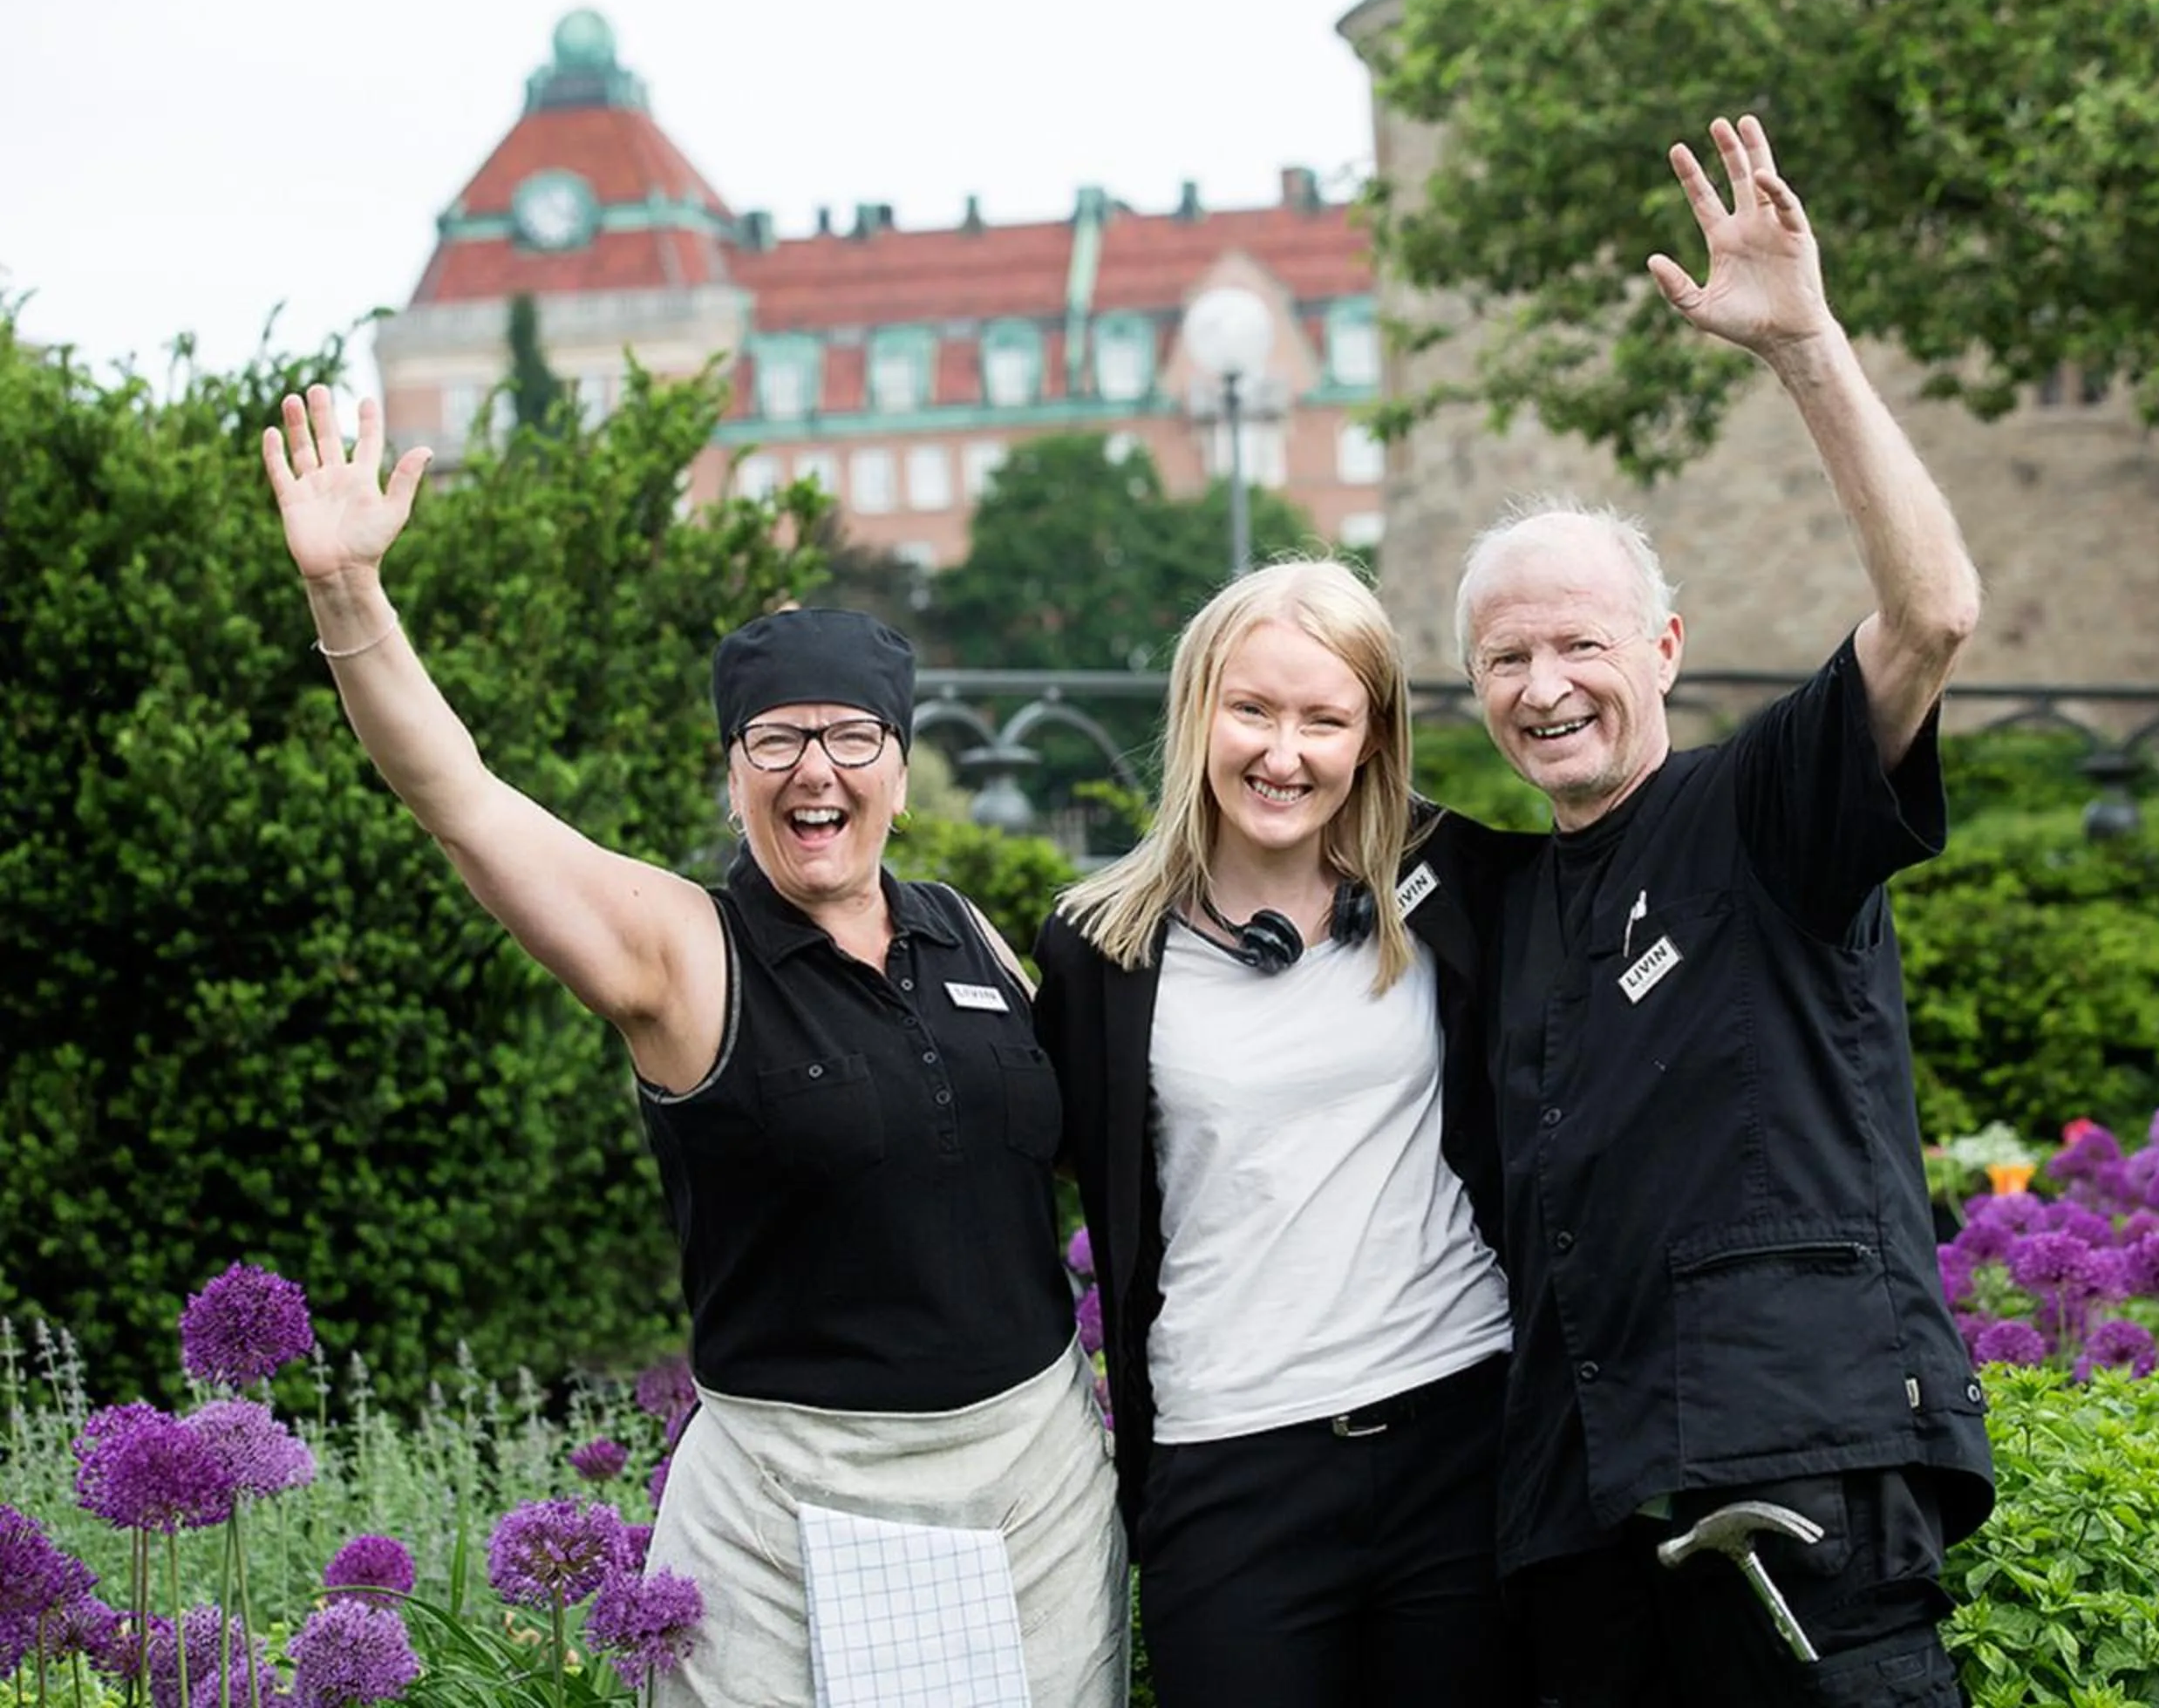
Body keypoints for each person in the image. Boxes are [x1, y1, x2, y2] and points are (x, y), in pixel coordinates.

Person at [258, 388, 1126, 1707]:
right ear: (732, 772)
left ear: (898, 764)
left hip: (1035, 1487)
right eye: (774, 741)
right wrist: (348, 599)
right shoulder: (680, 953)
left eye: (850, 738)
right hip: (792, 1504)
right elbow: (463, 799)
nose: (812, 771)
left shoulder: (967, 933)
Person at [1455, 116, 1995, 1705]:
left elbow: (1934, 613)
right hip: (1583, 1517)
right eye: (1505, 660)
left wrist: (1807, 347)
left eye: (1581, 644)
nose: (1546, 688)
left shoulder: (1763, 814)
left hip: (1804, 1484)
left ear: (1667, 648)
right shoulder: (1494, 899)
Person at [1032, 561, 1532, 1708]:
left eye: (1324, 719)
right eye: (1251, 709)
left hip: (1459, 1431)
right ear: (1197, 708)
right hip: (1228, 1462)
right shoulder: (1097, 950)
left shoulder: (1457, 892)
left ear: (1372, 738)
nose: (1282, 752)